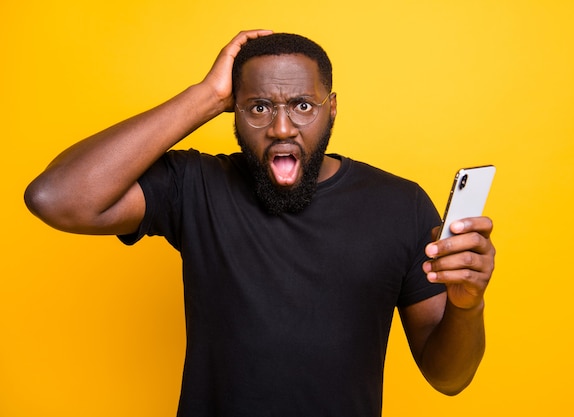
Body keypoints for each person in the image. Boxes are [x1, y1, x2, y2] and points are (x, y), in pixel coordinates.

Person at [24, 30, 496, 417]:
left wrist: (466, 304)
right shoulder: (197, 186)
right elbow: (56, 198)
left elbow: (449, 378)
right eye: (260, 107)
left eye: (302, 106)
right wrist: (205, 95)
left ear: (332, 107)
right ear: (234, 110)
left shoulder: (401, 205)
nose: (283, 128)